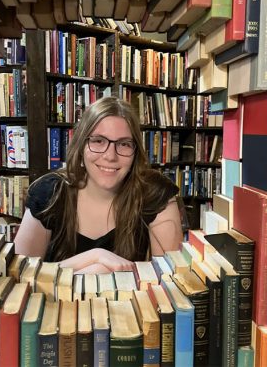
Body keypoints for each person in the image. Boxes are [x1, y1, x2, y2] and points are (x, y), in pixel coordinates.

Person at [14, 96, 183, 273]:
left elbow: (171, 279)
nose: (110, 156)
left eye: (124, 144)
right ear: (81, 145)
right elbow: (19, 274)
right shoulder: (49, 193)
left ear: (136, 151)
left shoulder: (155, 192)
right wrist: (94, 257)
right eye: (98, 141)